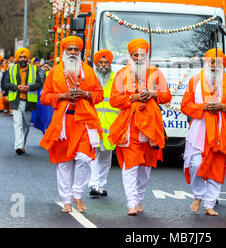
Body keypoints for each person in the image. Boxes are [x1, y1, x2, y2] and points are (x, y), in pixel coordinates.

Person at [39, 36, 104, 213]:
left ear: (80, 52)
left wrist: (86, 94)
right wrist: (62, 96)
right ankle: (66, 200)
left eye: (76, 50)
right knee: (64, 163)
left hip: (84, 121)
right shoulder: (54, 72)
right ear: (64, 52)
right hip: (63, 123)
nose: (73, 53)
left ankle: (77, 194)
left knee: (84, 158)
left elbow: (99, 95)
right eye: (70, 50)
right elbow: (44, 97)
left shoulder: (89, 71)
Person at [108, 38, 172, 216]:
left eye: (142, 55)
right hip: (130, 126)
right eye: (135, 55)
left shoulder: (156, 73)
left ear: (146, 55)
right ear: (130, 56)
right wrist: (133, 98)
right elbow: (114, 100)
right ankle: (131, 203)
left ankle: (139, 199)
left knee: (145, 168)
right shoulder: (122, 74)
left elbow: (167, 96)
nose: (138, 58)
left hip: (150, 126)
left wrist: (153, 94)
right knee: (131, 165)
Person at [181, 48, 226, 216]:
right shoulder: (195, 81)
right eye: (211, 62)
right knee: (196, 164)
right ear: (206, 63)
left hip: (221, 130)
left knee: (217, 167)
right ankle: (198, 195)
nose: (214, 65)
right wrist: (204, 107)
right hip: (199, 129)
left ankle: (209, 204)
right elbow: (185, 105)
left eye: (218, 62)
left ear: (222, 65)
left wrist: (224, 107)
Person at [88, 49, 119, 197]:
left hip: (110, 124)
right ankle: (93, 184)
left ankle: (101, 184)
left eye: (106, 62)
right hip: (93, 122)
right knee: (93, 155)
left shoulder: (116, 79)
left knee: (106, 157)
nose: (103, 65)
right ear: (96, 64)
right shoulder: (91, 78)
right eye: (100, 62)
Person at [4, 48, 43, 154]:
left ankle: (22, 144)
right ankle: (19, 146)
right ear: (17, 58)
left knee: (26, 124)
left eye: (24, 57)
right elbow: (6, 83)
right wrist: (17, 87)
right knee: (18, 124)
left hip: (29, 101)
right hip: (16, 100)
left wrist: (29, 88)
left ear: (27, 58)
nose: (22, 59)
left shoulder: (34, 69)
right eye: (20, 57)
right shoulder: (11, 68)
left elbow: (40, 84)